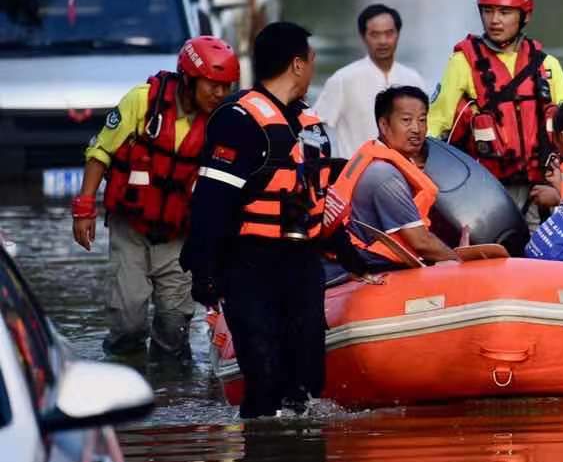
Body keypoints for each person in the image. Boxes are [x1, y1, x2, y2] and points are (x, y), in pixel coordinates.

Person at [182, 22, 371, 419]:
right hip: (250, 263)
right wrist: (204, 272)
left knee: (306, 378)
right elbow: (212, 202)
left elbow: (319, 204)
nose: (313, 69)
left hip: (301, 264)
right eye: (311, 60)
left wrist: (349, 254)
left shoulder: (312, 129)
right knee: (264, 376)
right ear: (298, 65)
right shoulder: (238, 120)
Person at [72, 35, 240, 359]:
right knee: (128, 320)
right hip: (131, 227)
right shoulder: (142, 101)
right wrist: (83, 209)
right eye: (213, 85)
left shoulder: (223, 121)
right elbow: (101, 151)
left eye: (226, 87)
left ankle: (170, 394)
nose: (220, 94)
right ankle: (122, 381)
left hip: (180, 235)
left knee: (174, 327)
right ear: (189, 79)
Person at [427, 0, 563, 215]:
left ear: (524, 16)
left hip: (542, 185)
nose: (494, 20)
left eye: (505, 12)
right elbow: (436, 123)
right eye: (488, 11)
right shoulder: (462, 62)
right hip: (488, 186)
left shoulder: (546, 64)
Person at [326, 86, 459, 268]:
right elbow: (421, 243)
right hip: (356, 267)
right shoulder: (384, 174)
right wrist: (461, 262)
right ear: (384, 125)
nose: (417, 129)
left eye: (422, 120)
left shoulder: (387, 162)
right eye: (406, 120)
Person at [312, 3, 425, 159]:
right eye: (375, 34)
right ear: (363, 36)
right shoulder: (343, 79)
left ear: (398, 34)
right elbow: (313, 127)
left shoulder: (413, 79)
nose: (383, 41)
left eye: (389, 33)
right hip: (355, 175)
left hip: (403, 175)